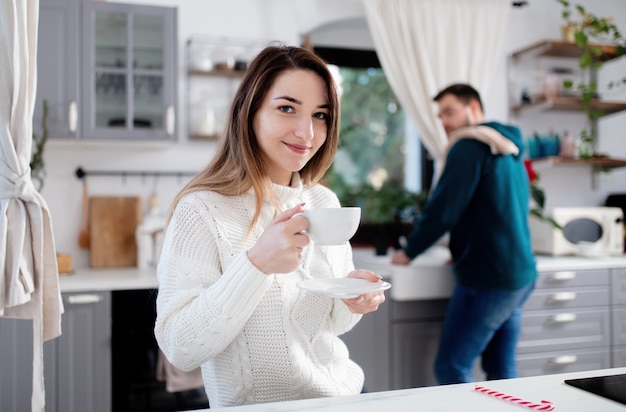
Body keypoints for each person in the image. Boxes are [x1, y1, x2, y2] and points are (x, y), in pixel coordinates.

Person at [154, 44, 386, 408]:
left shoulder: (324, 203)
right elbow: (179, 347)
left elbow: (333, 326)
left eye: (320, 115)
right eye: (287, 108)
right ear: (250, 112)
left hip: (342, 397)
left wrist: (354, 299)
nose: (307, 133)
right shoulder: (201, 209)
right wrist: (255, 265)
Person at [391, 83, 537, 385]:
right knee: (501, 372)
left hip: (488, 278)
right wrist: (462, 249)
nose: (444, 122)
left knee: (451, 369)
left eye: (449, 112)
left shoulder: (469, 145)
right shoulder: (506, 145)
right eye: (440, 115)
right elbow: (498, 208)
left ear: (473, 108)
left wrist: (409, 251)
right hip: (519, 274)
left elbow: (444, 209)